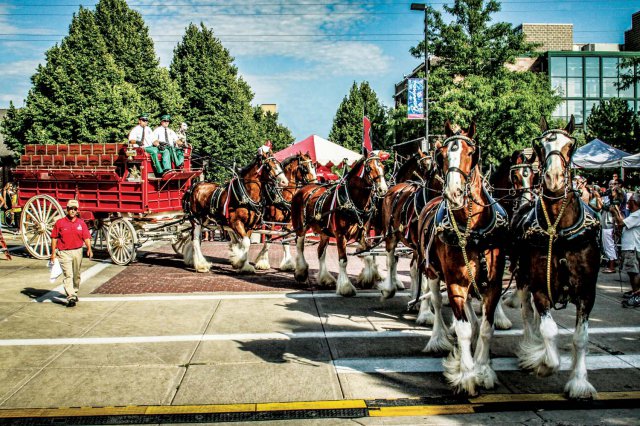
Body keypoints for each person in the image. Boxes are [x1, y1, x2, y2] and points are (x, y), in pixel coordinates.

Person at [50, 199, 92, 307]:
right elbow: (54, 238)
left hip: (77, 251)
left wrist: (89, 248)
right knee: (68, 275)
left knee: (76, 274)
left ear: (77, 211)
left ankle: (75, 291)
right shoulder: (60, 223)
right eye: (70, 209)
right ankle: (70, 295)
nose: (72, 211)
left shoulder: (81, 223)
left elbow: (86, 237)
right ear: (67, 209)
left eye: (75, 209)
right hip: (64, 252)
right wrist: (53, 253)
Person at [612, 193, 640, 307]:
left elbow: (621, 223)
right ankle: (635, 292)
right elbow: (623, 226)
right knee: (631, 272)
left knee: (634, 272)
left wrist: (614, 212)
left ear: (635, 202)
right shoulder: (633, 215)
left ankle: (637, 295)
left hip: (632, 247)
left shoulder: (637, 214)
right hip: (629, 247)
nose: (628, 203)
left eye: (630, 201)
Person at [128, 113, 171, 177]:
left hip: (150, 147)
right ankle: (159, 171)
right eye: (143, 120)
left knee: (165, 150)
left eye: (146, 121)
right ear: (139, 121)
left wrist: (159, 144)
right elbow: (130, 140)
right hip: (141, 148)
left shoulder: (148, 129)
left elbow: (154, 140)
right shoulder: (135, 129)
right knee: (154, 152)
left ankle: (167, 169)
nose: (145, 122)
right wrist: (137, 141)